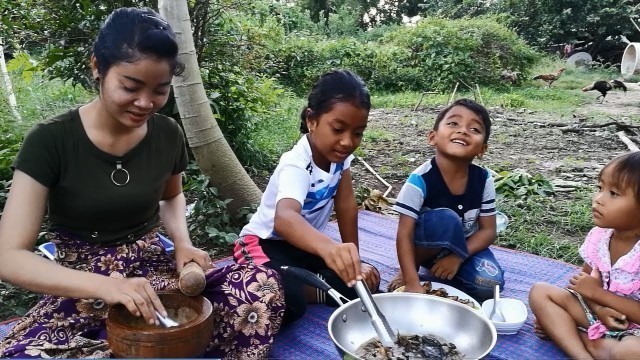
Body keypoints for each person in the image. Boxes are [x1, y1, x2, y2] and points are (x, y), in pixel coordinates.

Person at [0, 8, 284, 359]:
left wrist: (182, 243)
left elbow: (171, 197)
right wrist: (109, 287)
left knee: (260, 286)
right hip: (83, 284)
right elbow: (9, 256)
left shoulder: (167, 134)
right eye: (130, 87)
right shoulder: (50, 140)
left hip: (152, 271)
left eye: (160, 91)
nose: (146, 103)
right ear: (97, 68)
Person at [233, 69, 380, 325]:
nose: (347, 142)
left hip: (303, 246)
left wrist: (353, 259)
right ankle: (303, 288)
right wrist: (329, 249)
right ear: (311, 120)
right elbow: (285, 219)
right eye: (338, 129)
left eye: (358, 133)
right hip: (263, 244)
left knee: (367, 280)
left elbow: (346, 206)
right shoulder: (296, 163)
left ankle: (314, 286)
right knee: (283, 303)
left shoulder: (340, 159)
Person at [387, 98, 504, 302]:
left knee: (491, 285)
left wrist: (457, 257)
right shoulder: (419, 180)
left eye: (474, 129)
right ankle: (411, 268)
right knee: (447, 219)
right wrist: (411, 281)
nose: (463, 131)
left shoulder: (483, 180)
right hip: (426, 246)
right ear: (433, 137)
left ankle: (449, 271)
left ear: (482, 149)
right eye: (453, 123)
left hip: (465, 247)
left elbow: (488, 230)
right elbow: (404, 234)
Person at [529, 152, 640, 360]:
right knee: (541, 292)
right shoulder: (599, 237)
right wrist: (598, 308)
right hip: (599, 315)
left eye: (613, 193)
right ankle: (584, 354)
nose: (598, 199)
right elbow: (581, 287)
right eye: (600, 188)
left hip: (634, 332)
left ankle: (576, 336)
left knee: (633, 352)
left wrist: (600, 295)